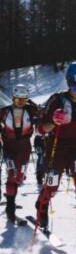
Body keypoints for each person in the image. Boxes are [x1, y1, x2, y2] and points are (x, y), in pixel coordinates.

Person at [35, 62, 76, 254]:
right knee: (52, 187)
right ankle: (42, 204)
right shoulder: (56, 100)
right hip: (57, 147)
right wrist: (53, 121)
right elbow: (40, 129)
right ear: (68, 83)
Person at [1, 84, 39, 222]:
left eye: (23, 100)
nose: (21, 103)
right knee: (12, 174)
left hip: (24, 147)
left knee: (19, 176)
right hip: (9, 146)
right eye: (18, 100)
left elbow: (43, 114)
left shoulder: (31, 109)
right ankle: (10, 209)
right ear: (13, 98)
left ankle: (11, 198)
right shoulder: (4, 111)